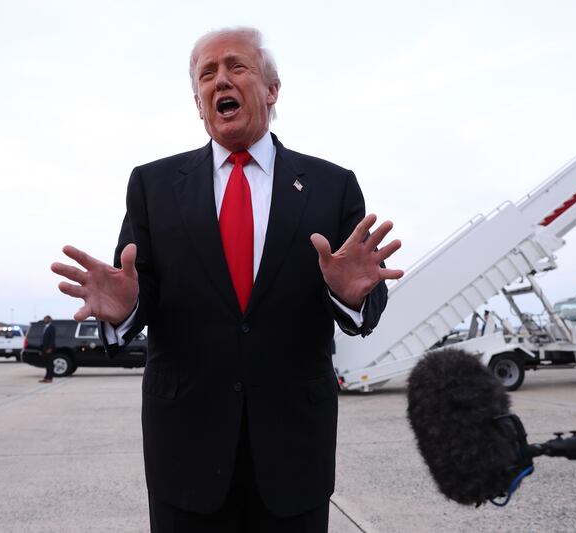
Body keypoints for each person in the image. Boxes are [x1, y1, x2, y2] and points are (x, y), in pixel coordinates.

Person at [52, 27, 403, 533]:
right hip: (185, 446)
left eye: (236, 67)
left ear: (271, 90)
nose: (221, 81)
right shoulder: (152, 186)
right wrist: (127, 307)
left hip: (293, 447)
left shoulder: (332, 185)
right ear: (198, 103)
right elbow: (139, 285)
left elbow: (365, 304)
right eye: (206, 74)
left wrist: (349, 296)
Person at [39, 315, 56, 383]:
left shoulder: (52, 328)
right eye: (44, 319)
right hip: (44, 348)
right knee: (46, 364)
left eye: (46, 319)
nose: (44, 320)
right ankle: (46, 377)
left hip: (49, 349)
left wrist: (50, 348)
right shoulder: (45, 327)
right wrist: (41, 349)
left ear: (49, 319)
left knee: (50, 364)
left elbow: (52, 339)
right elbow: (43, 339)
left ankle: (50, 378)